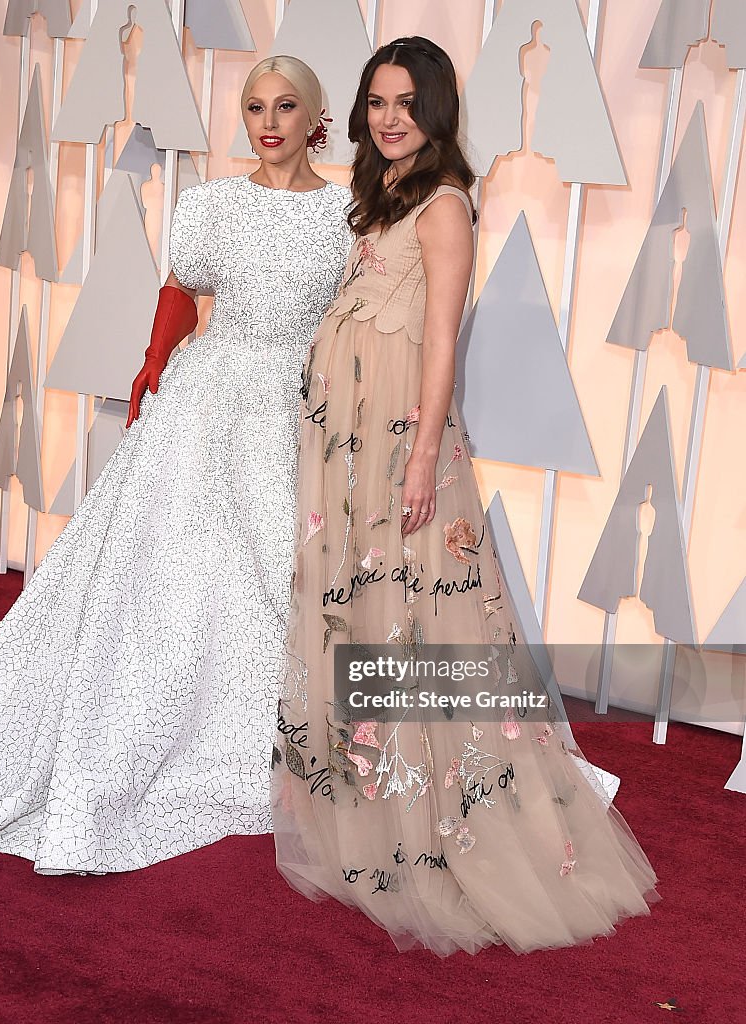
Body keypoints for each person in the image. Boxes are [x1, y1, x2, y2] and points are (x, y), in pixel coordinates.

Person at [0, 57, 353, 875]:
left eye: (286, 106)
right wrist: (152, 357)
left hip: (295, 399)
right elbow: (182, 285)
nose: (268, 121)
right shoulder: (211, 204)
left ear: (316, 114)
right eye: (254, 107)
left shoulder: (349, 209)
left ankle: (275, 732)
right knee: (175, 562)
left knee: (273, 567)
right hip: (208, 398)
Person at [270, 38, 659, 955]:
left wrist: (417, 460)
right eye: (375, 102)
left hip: (401, 444)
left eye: (407, 102)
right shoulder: (376, 198)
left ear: (438, 110)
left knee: (421, 619)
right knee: (363, 616)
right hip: (347, 446)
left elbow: (440, 342)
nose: (389, 116)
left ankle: (444, 824)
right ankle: (374, 820)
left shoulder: (444, 205)